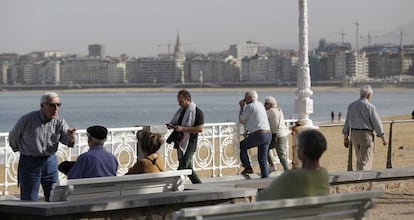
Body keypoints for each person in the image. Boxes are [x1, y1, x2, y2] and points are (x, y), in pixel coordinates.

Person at [8, 92, 76, 201]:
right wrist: (20, 150)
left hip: (50, 161)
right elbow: (13, 137)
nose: (55, 108)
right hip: (30, 162)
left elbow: (68, 142)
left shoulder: (59, 121)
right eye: (52, 105)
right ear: (42, 106)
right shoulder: (27, 119)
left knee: (54, 197)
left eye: (58, 105)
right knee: (29, 199)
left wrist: (71, 137)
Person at [256, 129, 330, 200]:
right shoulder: (324, 174)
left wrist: (261, 186)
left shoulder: (291, 176)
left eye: (298, 146)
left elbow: (261, 198)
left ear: (302, 150)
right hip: (318, 212)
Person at [343, 85, 387, 170]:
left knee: (359, 159)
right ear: (369, 95)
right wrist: (382, 137)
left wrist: (345, 136)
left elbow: (347, 122)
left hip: (354, 134)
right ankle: (362, 181)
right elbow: (376, 122)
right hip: (365, 135)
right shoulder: (370, 107)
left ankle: (359, 178)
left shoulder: (351, 106)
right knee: (365, 160)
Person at [166, 89, 204, 184]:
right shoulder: (181, 112)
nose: (179, 104)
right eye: (178, 101)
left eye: (181, 101)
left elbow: (200, 129)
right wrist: (172, 126)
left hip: (190, 143)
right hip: (180, 142)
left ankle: (171, 183)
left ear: (188, 99)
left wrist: (183, 129)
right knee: (188, 168)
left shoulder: (197, 112)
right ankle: (199, 185)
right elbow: (177, 124)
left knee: (182, 166)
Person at [239, 90, 272, 178]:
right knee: (262, 159)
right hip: (268, 134)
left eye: (245, 98)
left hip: (259, 134)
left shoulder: (250, 106)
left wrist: (242, 107)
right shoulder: (260, 104)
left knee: (241, 146)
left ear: (249, 98)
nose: (244, 99)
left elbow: (241, 119)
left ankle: (247, 167)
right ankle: (265, 178)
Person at [264, 96, 290, 171]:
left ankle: (285, 169)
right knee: (279, 152)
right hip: (284, 133)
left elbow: (262, 117)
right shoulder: (279, 110)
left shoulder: (270, 111)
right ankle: (274, 166)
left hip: (277, 135)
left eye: (265, 104)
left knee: (279, 153)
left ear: (270, 104)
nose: (264, 105)